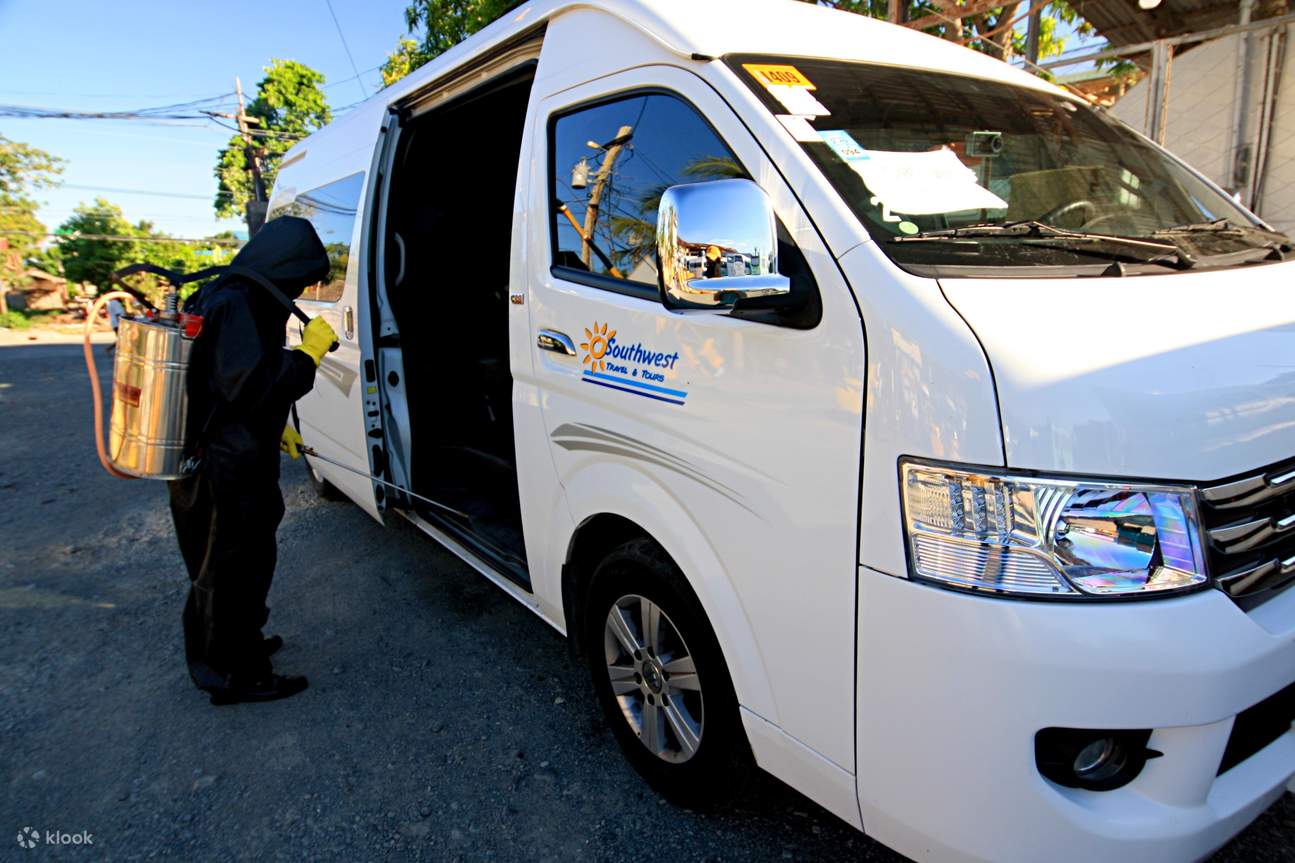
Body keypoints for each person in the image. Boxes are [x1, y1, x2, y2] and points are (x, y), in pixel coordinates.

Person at [168, 216, 337, 705]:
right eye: (302, 278)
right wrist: (307, 356)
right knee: (230, 566)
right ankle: (233, 673)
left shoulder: (233, 294)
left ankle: (238, 644)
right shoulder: (237, 303)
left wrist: (274, 424)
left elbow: (224, 387)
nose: (302, 288)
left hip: (231, 451)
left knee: (243, 558)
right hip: (224, 468)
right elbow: (254, 382)